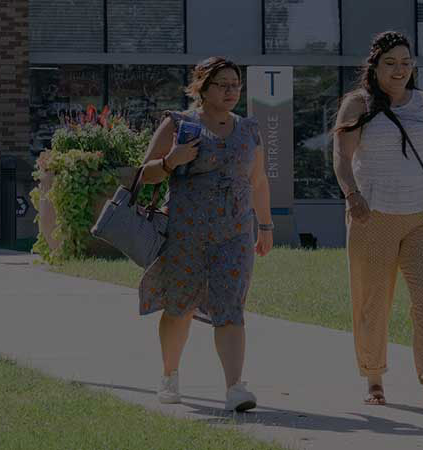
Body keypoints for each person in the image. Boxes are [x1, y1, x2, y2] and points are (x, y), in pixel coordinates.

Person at [332, 30, 423, 409]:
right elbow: (342, 158)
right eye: (391, 63)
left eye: (406, 63)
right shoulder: (357, 104)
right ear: (375, 66)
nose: (399, 70)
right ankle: (374, 379)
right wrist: (352, 195)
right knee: (373, 300)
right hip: (373, 217)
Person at [135, 56, 275, 412]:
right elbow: (143, 176)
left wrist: (266, 225)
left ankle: (235, 387)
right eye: (222, 85)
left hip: (236, 233)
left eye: (235, 84)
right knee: (179, 307)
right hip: (187, 234)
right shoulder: (179, 124)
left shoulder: (249, 129)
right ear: (202, 88)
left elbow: (257, 182)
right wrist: (171, 161)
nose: (231, 91)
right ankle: (169, 374)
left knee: (231, 307)